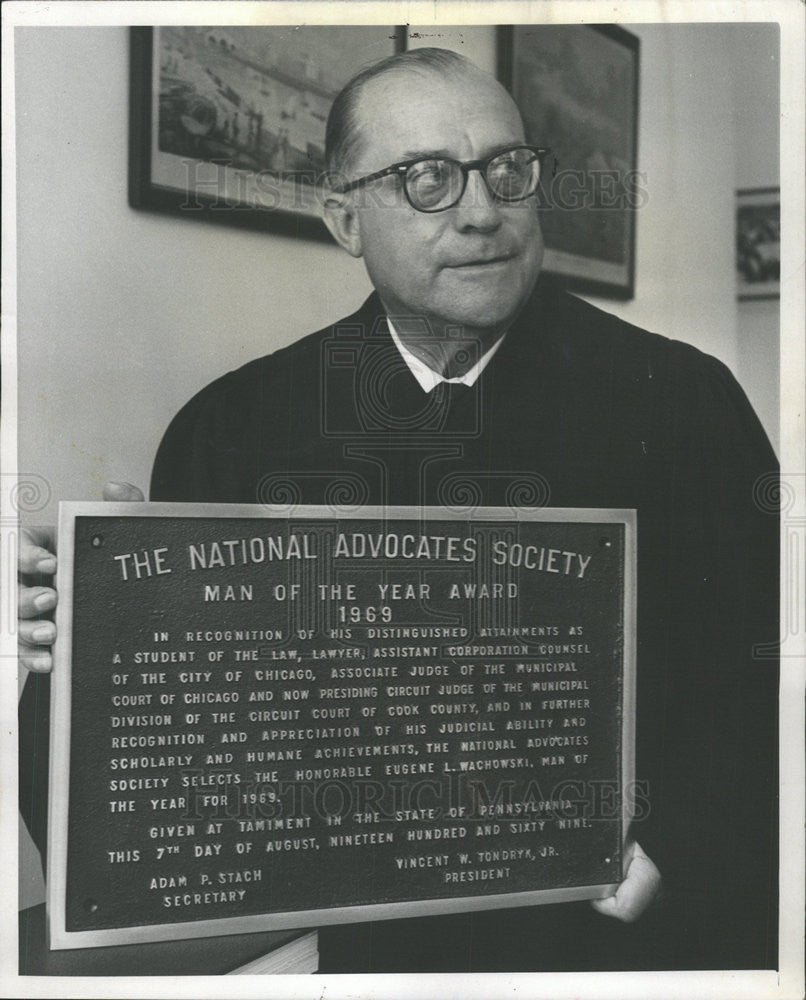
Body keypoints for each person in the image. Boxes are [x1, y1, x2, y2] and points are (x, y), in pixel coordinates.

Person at [19, 48, 778, 972]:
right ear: (344, 218)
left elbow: (768, 677)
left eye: (508, 169)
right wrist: (98, 629)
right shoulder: (235, 425)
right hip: (360, 949)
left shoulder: (683, 400)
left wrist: (683, 850)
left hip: (625, 936)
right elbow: (169, 751)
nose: (482, 210)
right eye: (428, 179)